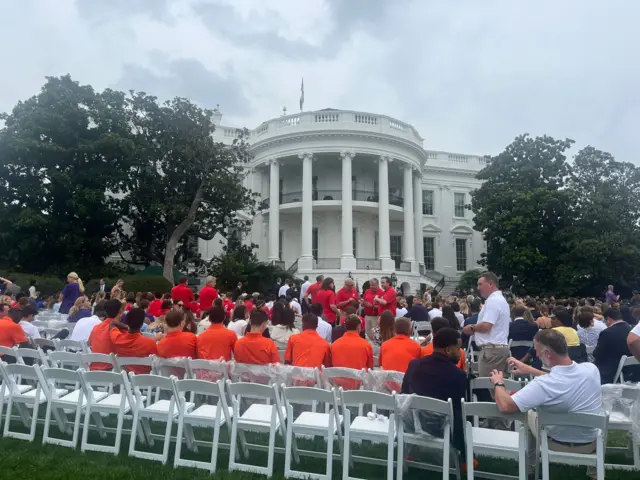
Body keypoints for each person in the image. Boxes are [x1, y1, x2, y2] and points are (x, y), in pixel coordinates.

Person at [491, 329, 602, 478]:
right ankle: (594, 473)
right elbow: (563, 380)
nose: (536, 355)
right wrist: (530, 369)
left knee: (529, 414)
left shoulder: (544, 385)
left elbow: (506, 405)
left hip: (556, 443)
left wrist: (498, 383)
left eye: (537, 351)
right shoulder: (591, 370)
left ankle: (530, 469)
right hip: (591, 442)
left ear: (548, 354)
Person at [401, 328, 467, 460]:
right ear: (448, 350)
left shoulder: (414, 364)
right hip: (441, 429)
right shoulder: (458, 375)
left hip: (413, 424)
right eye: (458, 348)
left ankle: (410, 450)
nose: (460, 352)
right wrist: (464, 451)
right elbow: (458, 412)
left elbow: (403, 394)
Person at [462, 271, 510, 380]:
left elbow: (486, 326)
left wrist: (471, 328)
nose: (478, 288)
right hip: (496, 350)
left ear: (490, 284)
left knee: (489, 387)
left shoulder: (493, 301)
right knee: (497, 387)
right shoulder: (499, 300)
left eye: (480, 284)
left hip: (492, 352)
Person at [594, 308, 640, 384]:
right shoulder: (632, 330)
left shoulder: (606, 333)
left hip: (612, 371)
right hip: (632, 369)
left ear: (608, 319)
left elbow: (598, 355)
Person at [109, 307, 157, 374]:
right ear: (142, 324)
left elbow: (112, 324)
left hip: (128, 379)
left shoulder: (118, 339)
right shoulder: (149, 343)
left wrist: (127, 327)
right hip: (146, 380)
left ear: (127, 322)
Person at [88, 299, 123, 370]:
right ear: (120, 312)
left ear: (105, 312)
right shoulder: (120, 329)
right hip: (112, 370)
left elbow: (89, 343)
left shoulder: (96, 327)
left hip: (92, 370)